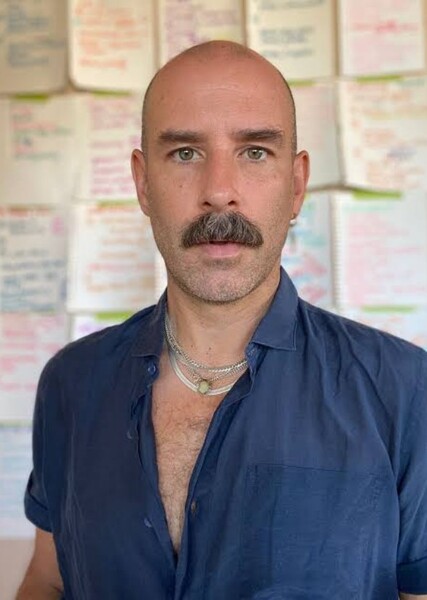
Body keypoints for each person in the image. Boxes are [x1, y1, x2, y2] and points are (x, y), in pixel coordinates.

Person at [17, 40, 427, 600]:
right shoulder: (70, 384)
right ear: (143, 183)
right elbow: (48, 580)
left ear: (296, 185)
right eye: (185, 153)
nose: (218, 192)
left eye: (255, 152)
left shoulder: (405, 391)